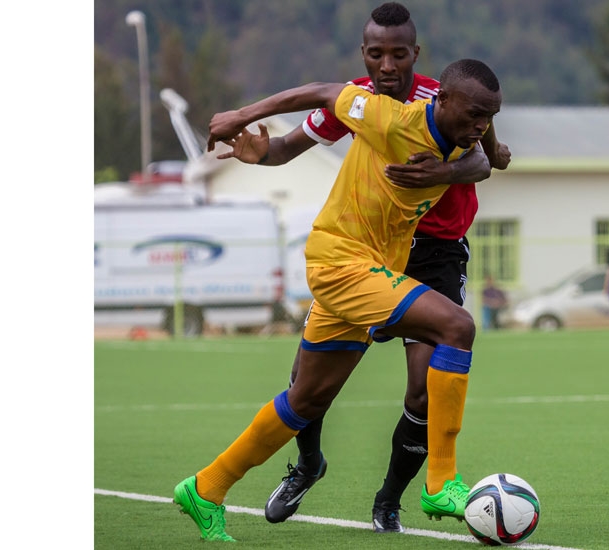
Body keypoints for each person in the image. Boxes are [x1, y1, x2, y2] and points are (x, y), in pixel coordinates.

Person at [205, 2, 510, 535]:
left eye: (398, 54)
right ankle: (306, 465)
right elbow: (288, 145)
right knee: (306, 384)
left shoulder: (449, 100)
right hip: (359, 253)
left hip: (432, 251)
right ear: (364, 55)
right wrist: (257, 147)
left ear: (417, 56)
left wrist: (445, 169)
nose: (387, 65)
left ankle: (394, 499)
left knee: (425, 381)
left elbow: (484, 156)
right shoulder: (360, 103)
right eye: (376, 54)